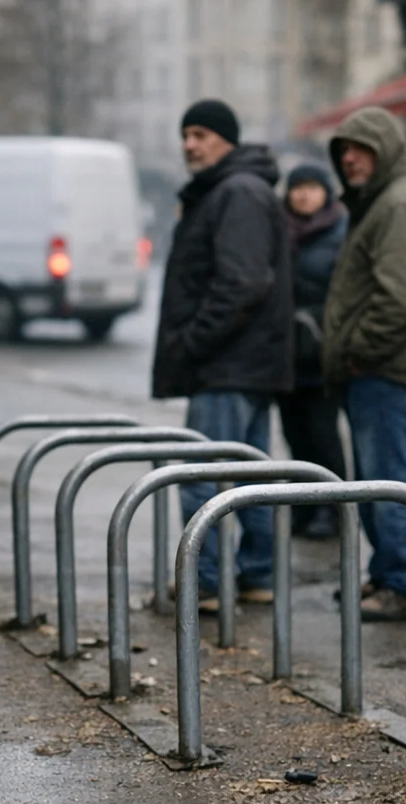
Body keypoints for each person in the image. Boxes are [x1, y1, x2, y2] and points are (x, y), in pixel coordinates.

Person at [152, 98, 293, 611]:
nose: (190, 144)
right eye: (185, 135)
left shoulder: (236, 192)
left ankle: (207, 581)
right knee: (250, 478)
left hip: (227, 366)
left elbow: (243, 282)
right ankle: (255, 576)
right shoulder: (231, 190)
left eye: (201, 135)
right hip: (242, 364)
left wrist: (193, 342)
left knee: (203, 477)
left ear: (226, 140)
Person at [322, 106, 406, 622]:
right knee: (376, 477)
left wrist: (358, 350)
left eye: (361, 149)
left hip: (388, 370)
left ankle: (403, 583)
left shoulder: (397, 204)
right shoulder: (381, 202)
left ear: (386, 151)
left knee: (389, 478)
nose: (350, 159)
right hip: (380, 369)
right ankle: (387, 575)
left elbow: (402, 297)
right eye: (344, 151)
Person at [277, 163, 349, 540]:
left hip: (322, 353)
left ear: (326, 192)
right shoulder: (279, 230)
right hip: (286, 354)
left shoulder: (341, 231)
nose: (303, 195)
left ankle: (333, 508)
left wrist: (316, 320)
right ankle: (304, 504)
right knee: (295, 435)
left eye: (311, 187)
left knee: (323, 433)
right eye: (297, 188)